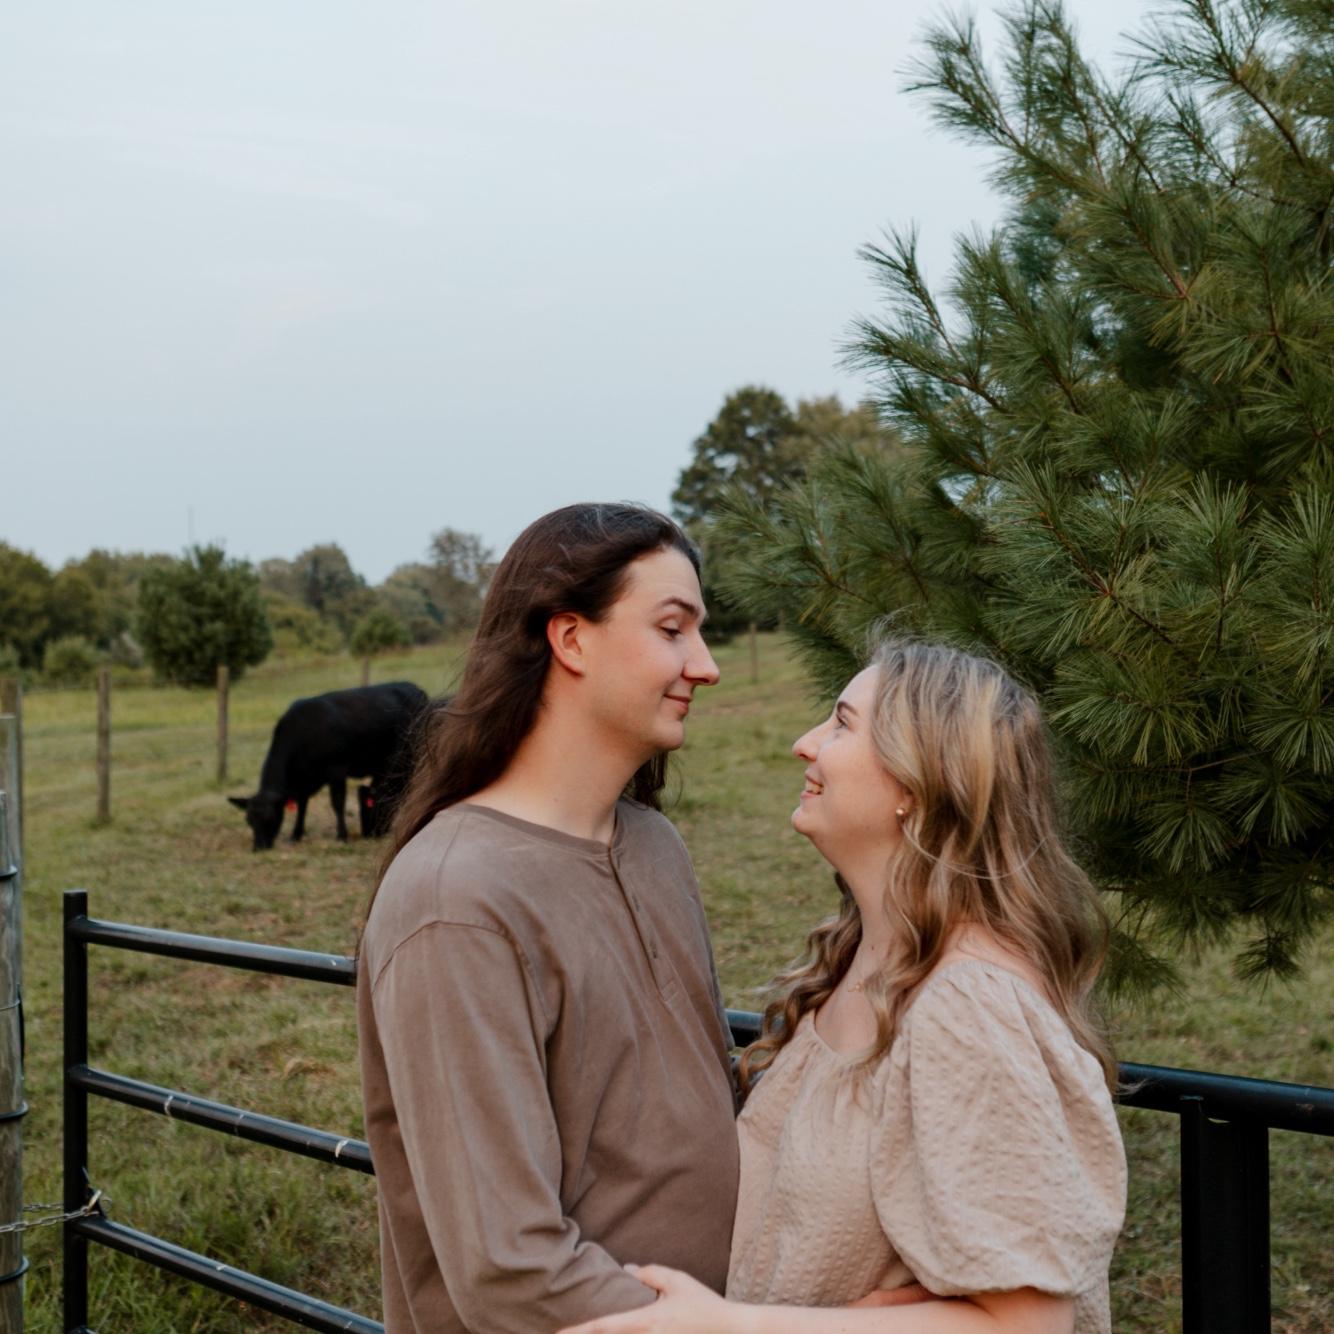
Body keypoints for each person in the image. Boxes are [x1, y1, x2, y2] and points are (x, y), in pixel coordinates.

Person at [562, 639, 1127, 1334]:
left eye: (841, 723)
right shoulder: (867, 955)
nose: (805, 744)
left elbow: (1028, 1325)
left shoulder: (969, 1007)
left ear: (916, 782)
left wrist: (732, 1325)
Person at [357, 503, 740, 1332]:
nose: (705, 666)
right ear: (570, 639)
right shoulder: (456, 901)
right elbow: (511, 1271)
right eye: (672, 629)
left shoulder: (656, 847)